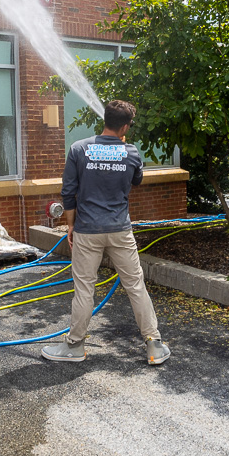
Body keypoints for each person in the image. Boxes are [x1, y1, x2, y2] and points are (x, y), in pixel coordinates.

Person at [41, 99, 170, 365]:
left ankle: (75, 346)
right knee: (135, 285)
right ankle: (154, 345)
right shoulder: (131, 152)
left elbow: (68, 191)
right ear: (125, 127)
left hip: (87, 230)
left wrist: (71, 225)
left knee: (84, 289)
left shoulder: (79, 149)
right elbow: (137, 179)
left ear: (105, 120)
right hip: (120, 230)